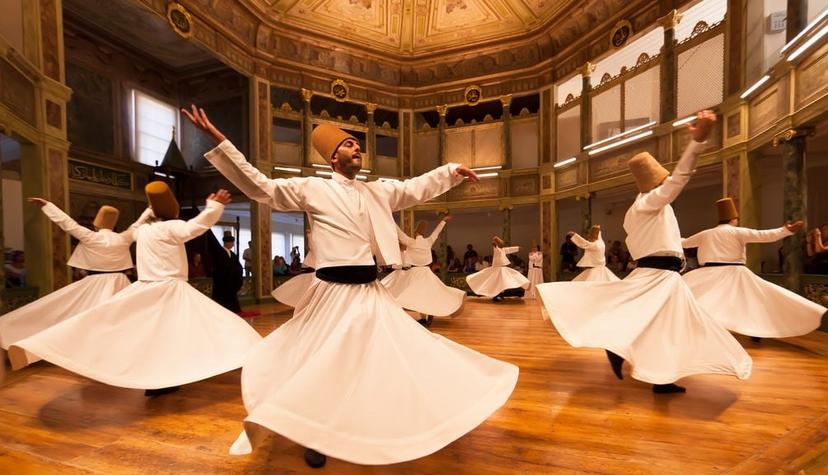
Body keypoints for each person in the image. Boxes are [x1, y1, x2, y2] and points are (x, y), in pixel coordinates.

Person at [184, 105, 518, 468]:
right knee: (322, 364)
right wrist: (220, 142)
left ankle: (377, 418)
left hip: (370, 292)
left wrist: (450, 171)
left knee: (392, 354)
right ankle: (313, 433)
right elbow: (260, 186)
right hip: (330, 293)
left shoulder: (377, 192)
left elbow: (414, 189)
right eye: (348, 145)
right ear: (332, 157)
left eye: (358, 145)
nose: (357, 148)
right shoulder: (311, 188)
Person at [536, 110, 751, 394]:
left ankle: (657, 374)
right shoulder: (650, 202)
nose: (666, 185)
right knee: (672, 323)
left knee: (665, 324)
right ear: (656, 182)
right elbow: (679, 180)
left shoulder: (642, 210)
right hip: (659, 274)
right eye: (663, 181)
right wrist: (697, 142)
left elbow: (670, 239)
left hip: (660, 273)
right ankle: (631, 355)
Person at [8, 182, 262, 397]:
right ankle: (179, 373)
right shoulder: (161, 229)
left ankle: (158, 378)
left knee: (137, 331)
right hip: (169, 289)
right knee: (214, 325)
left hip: (145, 287)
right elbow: (194, 227)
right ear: (172, 209)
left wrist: (48, 206)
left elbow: (75, 225)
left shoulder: (143, 231)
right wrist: (215, 206)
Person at [0, 199, 150, 370]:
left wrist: (47, 205)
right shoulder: (124, 237)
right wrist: (151, 208)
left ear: (96, 223)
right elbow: (139, 223)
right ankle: (116, 355)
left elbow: (67, 223)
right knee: (120, 319)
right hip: (121, 282)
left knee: (73, 316)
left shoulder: (91, 236)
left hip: (97, 283)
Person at [681, 197, 825, 339]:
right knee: (752, 303)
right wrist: (785, 230)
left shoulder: (706, 233)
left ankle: (702, 329)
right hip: (735, 273)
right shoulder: (737, 232)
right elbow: (764, 235)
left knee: (703, 300)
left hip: (708, 273)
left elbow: (685, 243)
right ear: (733, 220)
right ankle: (754, 330)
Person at [381, 216, 465, 326]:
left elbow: (399, 233)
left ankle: (423, 317)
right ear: (423, 234)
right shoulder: (428, 242)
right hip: (426, 272)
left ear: (416, 232)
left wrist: (390, 219)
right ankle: (425, 316)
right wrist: (443, 221)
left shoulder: (411, 242)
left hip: (415, 272)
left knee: (416, 295)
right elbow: (436, 232)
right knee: (426, 295)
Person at [466, 236, 530, 302]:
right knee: (496, 283)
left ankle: (500, 295)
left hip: (501, 269)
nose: (502, 245)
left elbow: (510, 249)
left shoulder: (503, 250)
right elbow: (494, 244)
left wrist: (518, 248)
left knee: (503, 282)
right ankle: (496, 296)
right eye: (500, 244)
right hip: (497, 269)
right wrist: (495, 240)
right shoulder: (496, 249)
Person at [211, 231, 243, 312]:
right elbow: (220, 267)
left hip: (231, 281)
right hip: (223, 281)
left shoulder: (232, 254)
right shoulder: (220, 253)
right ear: (227, 243)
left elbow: (237, 266)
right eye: (231, 242)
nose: (232, 244)